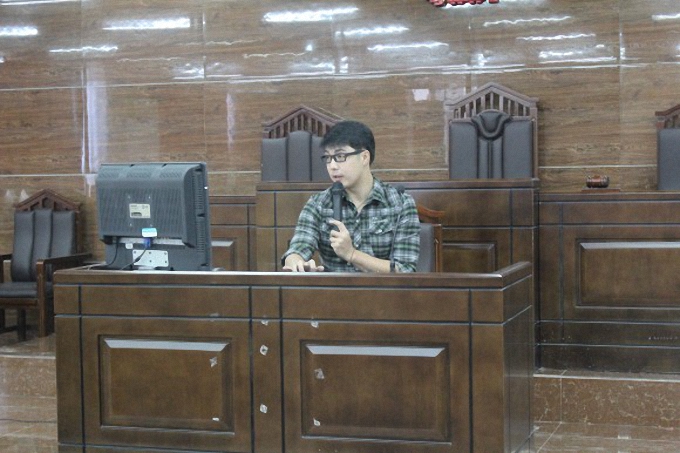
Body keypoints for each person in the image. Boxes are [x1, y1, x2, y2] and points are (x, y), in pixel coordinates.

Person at [281, 120, 420, 272]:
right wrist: (296, 262)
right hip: (333, 288)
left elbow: (405, 270)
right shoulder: (318, 204)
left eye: (340, 156)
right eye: (328, 158)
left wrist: (352, 254)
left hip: (382, 288)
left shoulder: (400, 203)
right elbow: (298, 248)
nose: (332, 166)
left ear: (364, 157)